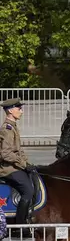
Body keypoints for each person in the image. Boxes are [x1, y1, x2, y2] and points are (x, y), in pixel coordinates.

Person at [0, 98, 37, 230]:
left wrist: (28, 164)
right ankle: (19, 226)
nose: (21, 111)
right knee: (28, 191)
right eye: (19, 108)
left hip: (14, 166)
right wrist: (24, 165)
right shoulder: (7, 129)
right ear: (10, 110)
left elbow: (19, 150)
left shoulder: (13, 126)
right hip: (7, 169)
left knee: (34, 177)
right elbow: (6, 154)